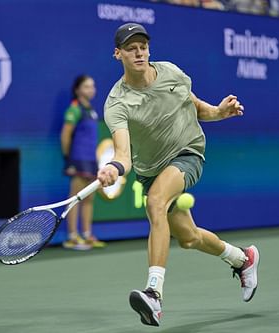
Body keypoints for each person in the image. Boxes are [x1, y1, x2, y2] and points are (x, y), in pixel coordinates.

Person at [97, 23, 260, 327]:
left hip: (188, 152)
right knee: (189, 238)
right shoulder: (117, 103)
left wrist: (218, 112)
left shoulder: (171, 73)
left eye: (143, 46)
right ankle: (242, 259)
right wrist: (113, 168)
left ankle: (154, 294)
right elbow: (123, 155)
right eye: (131, 48)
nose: (139, 52)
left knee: (155, 203)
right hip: (149, 169)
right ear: (117, 54)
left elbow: (196, 108)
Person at [60, 75, 106, 250]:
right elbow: (65, 135)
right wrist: (68, 157)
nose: (91, 90)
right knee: (75, 199)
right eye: (87, 87)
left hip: (91, 161)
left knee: (89, 199)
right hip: (77, 159)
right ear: (78, 89)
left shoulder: (92, 110)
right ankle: (72, 237)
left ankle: (86, 235)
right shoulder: (74, 109)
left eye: (92, 86)